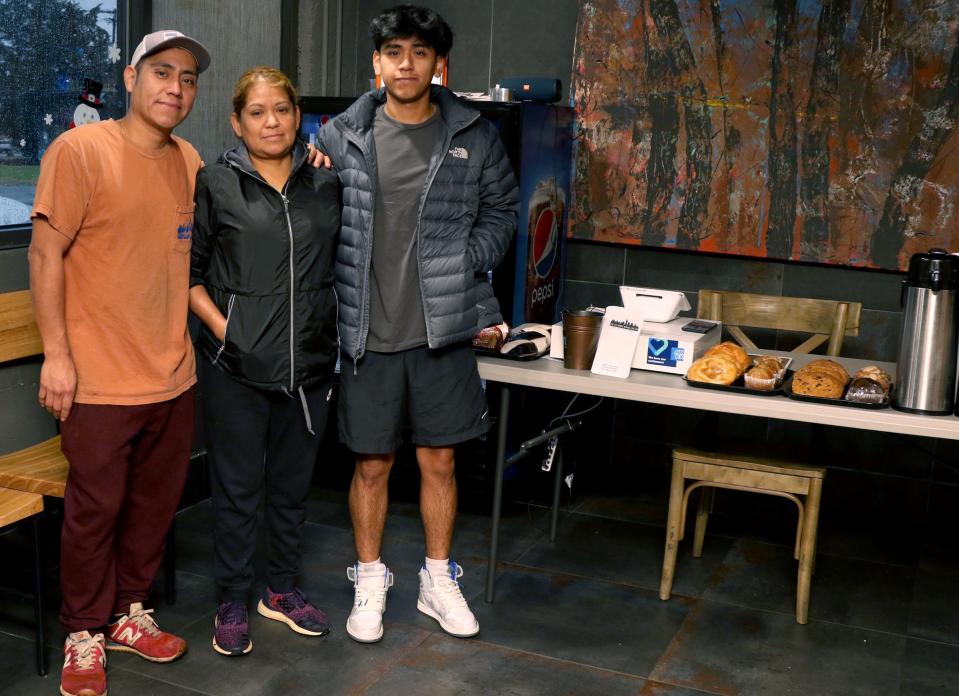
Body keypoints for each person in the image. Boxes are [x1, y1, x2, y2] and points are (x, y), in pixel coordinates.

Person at [316, 4, 518, 643]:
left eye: (420, 53)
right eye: (394, 52)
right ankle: (370, 578)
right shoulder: (339, 136)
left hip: (443, 329)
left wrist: (466, 261)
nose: (407, 64)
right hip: (366, 330)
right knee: (371, 466)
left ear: (439, 64)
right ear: (376, 62)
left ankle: (437, 579)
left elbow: (504, 212)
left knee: (439, 463)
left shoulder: (474, 133)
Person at [28, 30, 210, 696]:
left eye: (188, 79)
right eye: (162, 72)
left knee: (154, 506)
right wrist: (57, 355)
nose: (175, 88)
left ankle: (129, 615)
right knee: (94, 510)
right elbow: (45, 257)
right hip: (99, 375)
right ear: (130, 77)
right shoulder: (79, 150)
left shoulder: (188, 159)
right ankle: (83, 630)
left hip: (172, 372)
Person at [188, 66, 340, 657]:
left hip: (310, 366)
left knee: (291, 487)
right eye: (257, 112)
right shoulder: (215, 183)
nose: (271, 121)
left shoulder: (327, 183)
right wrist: (235, 334)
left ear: (297, 115)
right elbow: (191, 277)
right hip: (237, 367)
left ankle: (280, 590)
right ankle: (231, 597)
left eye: (281, 109)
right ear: (237, 121)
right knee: (237, 488)